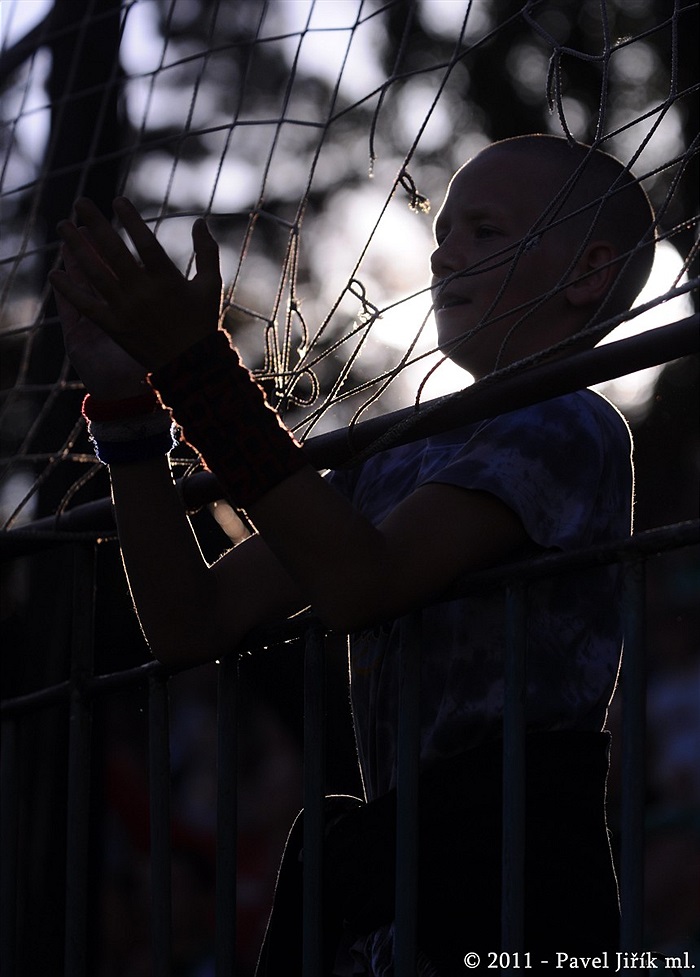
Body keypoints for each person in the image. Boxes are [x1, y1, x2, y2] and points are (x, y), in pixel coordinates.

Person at [51, 134, 655, 975]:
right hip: (394, 878)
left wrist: (197, 370)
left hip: (514, 875)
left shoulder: (570, 424)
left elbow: (363, 583)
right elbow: (193, 621)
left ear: (588, 273)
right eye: (445, 232)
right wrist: (128, 406)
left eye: (485, 230)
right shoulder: (390, 455)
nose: (447, 252)